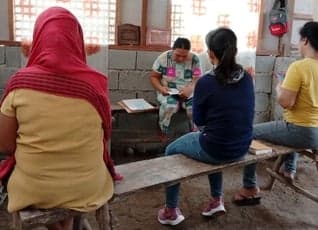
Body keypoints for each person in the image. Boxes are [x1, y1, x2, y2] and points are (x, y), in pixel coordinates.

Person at [0, 7, 121, 230]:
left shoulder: (19, 84)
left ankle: (59, 226)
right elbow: (105, 133)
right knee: (68, 190)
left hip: (34, 187)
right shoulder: (95, 85)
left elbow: (5, 145)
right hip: (87, 186)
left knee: (34, 181)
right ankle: (66, 225)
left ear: (38, 38)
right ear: (77, 40)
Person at [157, 27, 256, 226]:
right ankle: (216, 200)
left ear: (210, 53)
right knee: (215, 138)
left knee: (171, 149)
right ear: (235, 51)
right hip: (243, 147)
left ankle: (170, 211)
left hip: (216, 148)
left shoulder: (206, 82)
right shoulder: (246, 78)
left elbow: (199, 122)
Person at [235, 21, 318, 200]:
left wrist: (280, 86)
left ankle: (249, 186)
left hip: (302, 131)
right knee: (289, 126)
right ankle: (290, 169)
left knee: (250, 133)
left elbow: (286, 103)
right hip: (315, 132)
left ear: (305, 41)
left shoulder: (299, 66)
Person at [149, 38, 202, 139]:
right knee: (170, 106)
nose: (181, 59)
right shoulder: (163, 58)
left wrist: (190, 88)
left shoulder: (194, 59)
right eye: (178, 55)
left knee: (193, 109)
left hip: (188, 92)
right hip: (168, 91)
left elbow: (197, 78)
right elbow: (154, 77)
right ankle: (162, 130)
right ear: (172, 50)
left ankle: (195, 133)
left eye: (184, 56)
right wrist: (161, 89)